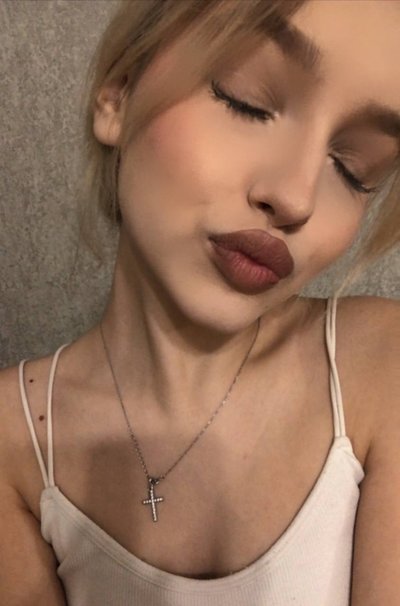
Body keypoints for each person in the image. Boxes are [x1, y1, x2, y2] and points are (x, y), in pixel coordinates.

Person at [1, 0, 399, 604]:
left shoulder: (380, 368)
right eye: (248, 101)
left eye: (351, 168)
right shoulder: (15, 441)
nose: (296, 197)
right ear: (118, 92)